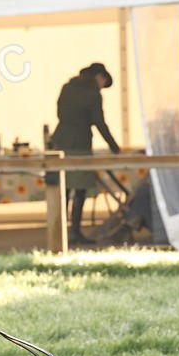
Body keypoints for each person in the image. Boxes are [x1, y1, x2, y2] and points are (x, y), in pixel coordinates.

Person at [50, 63, 120, 244]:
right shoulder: (93, 95)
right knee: (79, 191)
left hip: (61, 142)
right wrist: (114, 147)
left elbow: (60, 113)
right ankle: (75, 231)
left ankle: (60, 231)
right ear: (98, 77)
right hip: (80, 145)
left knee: (63, 190)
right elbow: (100, 123)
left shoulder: (67, 88)